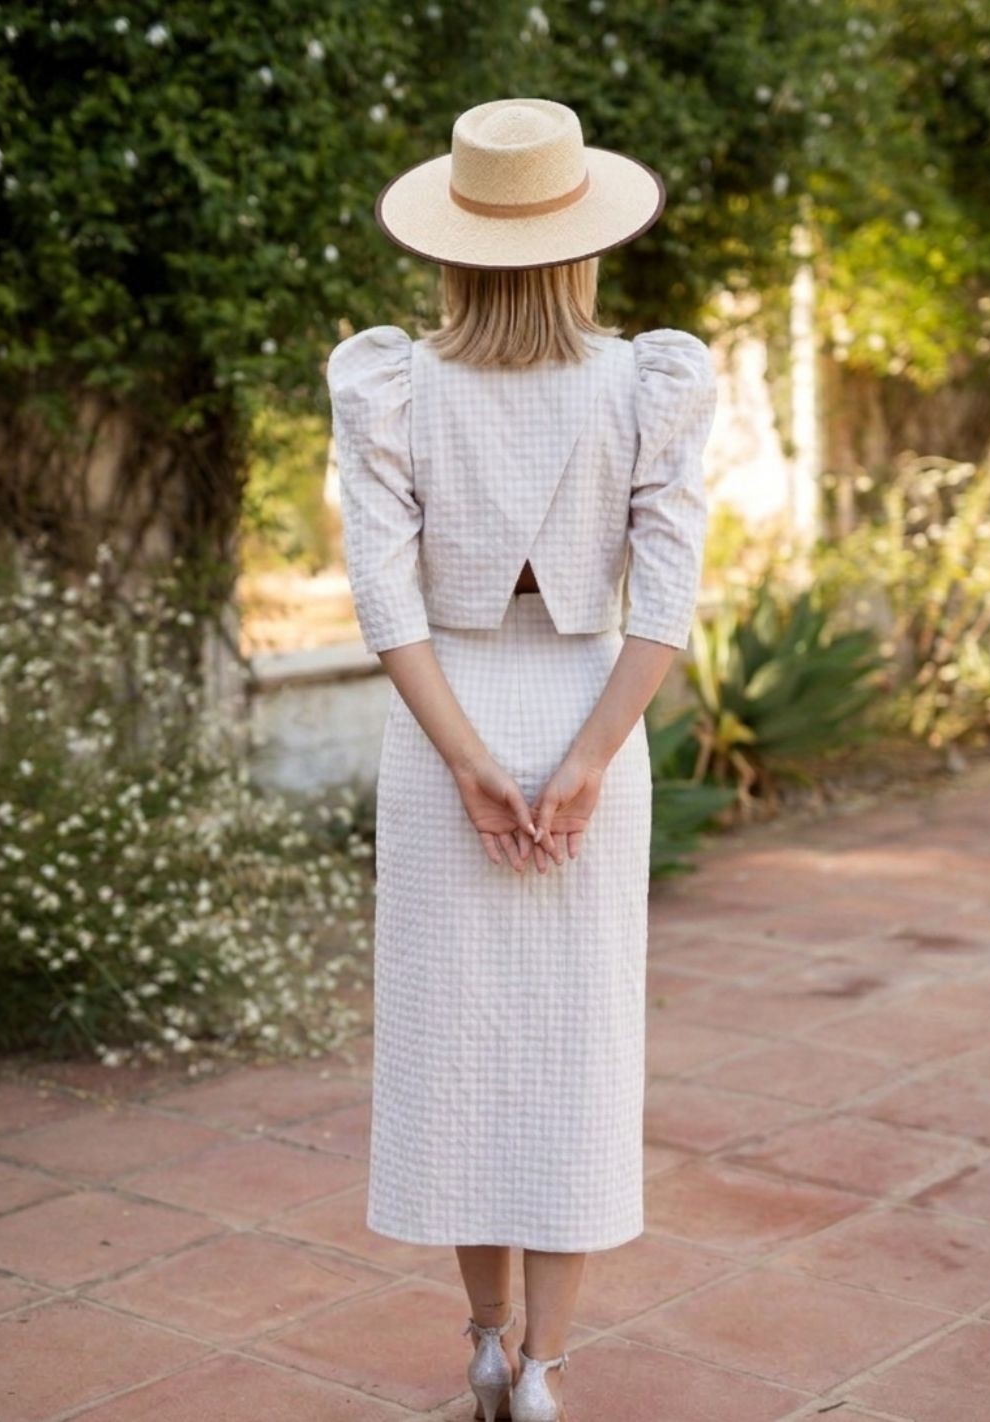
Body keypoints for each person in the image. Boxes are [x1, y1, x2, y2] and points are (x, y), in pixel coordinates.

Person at [326, 97, 717, 1422]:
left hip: (446, 717)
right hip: (589, 708)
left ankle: (485, 1343)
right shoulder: (651, 378)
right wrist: (592, 758)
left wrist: (467, 762)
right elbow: (666, 599)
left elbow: (385, 603)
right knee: (573, 1049)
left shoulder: (389, 379)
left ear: (454, 243)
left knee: (460, 1049)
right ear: (583, 240)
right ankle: (544, 1371)